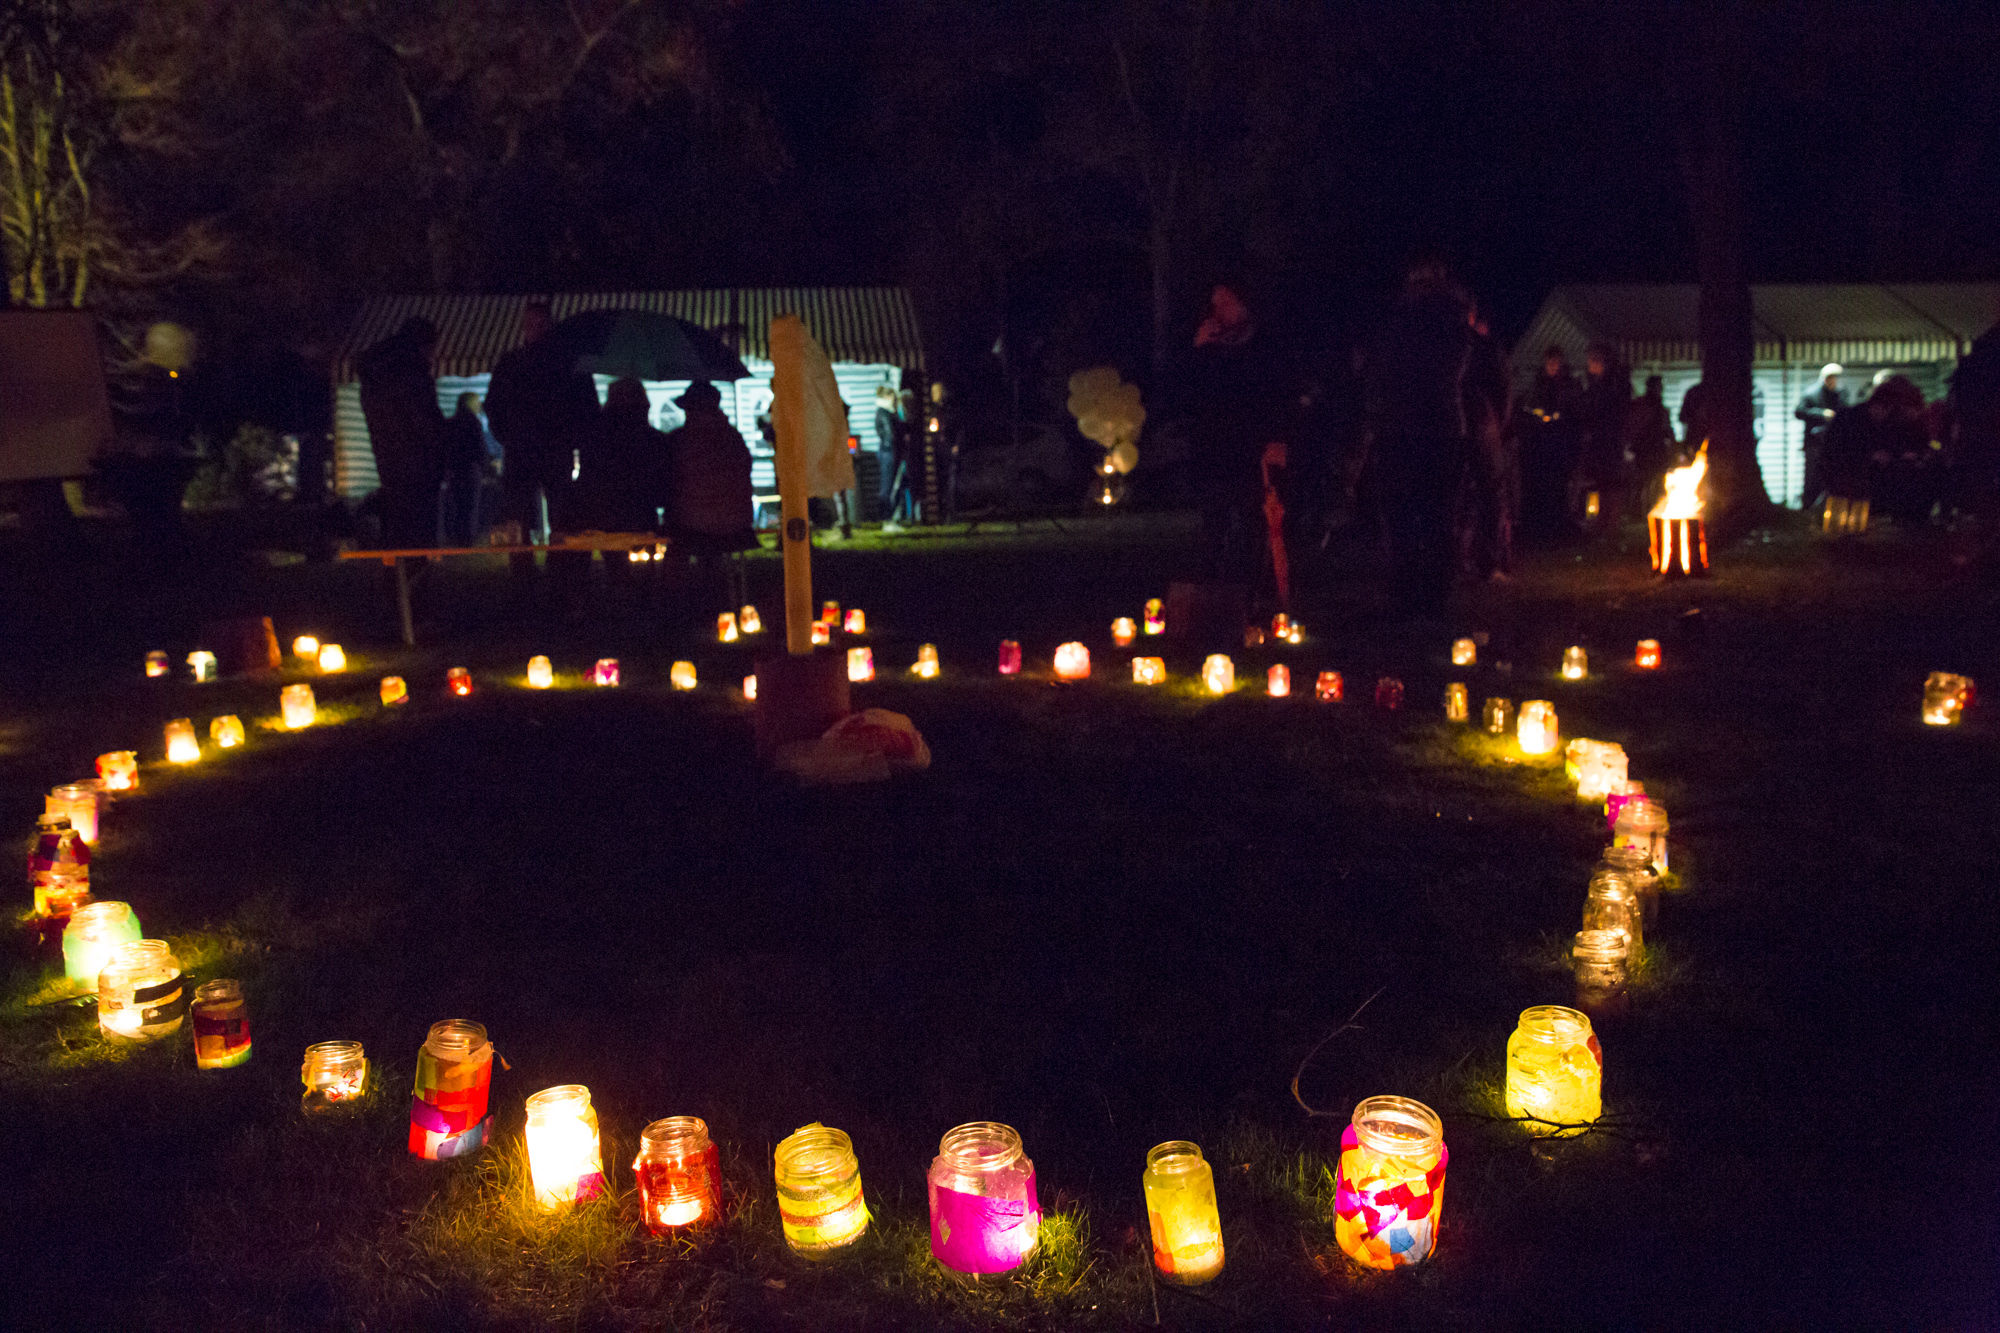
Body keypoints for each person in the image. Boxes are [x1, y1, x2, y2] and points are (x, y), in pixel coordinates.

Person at [1365, 260, 1475, 616]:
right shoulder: (1452, 322)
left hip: (1409, 424)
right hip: (1434, 426)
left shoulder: (1402, 322)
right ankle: (1428, 593)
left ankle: (1411, 591)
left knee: (1408, 513)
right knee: (1435, 514)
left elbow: (1381, 371)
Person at [484, 303, 599, 589]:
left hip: (539, 448)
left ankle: (546, 572)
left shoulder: (520, 363)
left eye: (538, 324)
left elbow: (586, 409)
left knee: (549, 513)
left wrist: (509, 434)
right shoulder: (552, 363)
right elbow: (494, 405)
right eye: (530, 324)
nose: (533, 330)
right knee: (529, 514)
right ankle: (536, 573)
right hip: (536, 448)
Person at [1187, 283, 1277, 582]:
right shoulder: (1210, 348)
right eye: (1216, 305)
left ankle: (1251, 584)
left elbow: (1270, 396)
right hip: (1213, 448)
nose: (1219, 312)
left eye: (1226, 304)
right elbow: (1189, 394)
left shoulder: (1261, 346)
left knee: (1252, 520)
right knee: (1214, 521)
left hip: (1249, 447)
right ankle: (1211, 586)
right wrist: (1199, 351)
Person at [666, 380, 757, 609]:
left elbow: (670, 481)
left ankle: (673, 605)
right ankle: (715, 594)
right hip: (738, 520)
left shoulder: (681, 440)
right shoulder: (733, 438)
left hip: (695, 524)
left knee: (676, 539)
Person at [357, 316, 445, 547]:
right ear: (424, 345)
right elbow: (425, 422)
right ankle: (416, 568)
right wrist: (443, 445)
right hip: (418, 466)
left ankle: (398, 567)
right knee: (418, 534)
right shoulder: (412, 375)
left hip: (389, 463)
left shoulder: (375, 375)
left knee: (398, 530)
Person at [1516, 346, 1580, 544]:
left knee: (1557, 485)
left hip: (1559, 442)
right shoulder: (1538, 383)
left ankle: (1557, 527)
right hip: (1539, 443)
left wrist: (1558, 417)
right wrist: (1536, 414)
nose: (1552, 366)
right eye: (1549, 363)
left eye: (1555, 363)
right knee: (1539, 485)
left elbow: (1573, 411)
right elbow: (1527, 405)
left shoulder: (1568, 385)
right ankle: (1538, 528)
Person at [1576, 344, 1632, 530]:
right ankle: (1603, 519)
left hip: (1609, 438)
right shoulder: (1596, 383)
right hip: (1599, 438)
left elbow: (1614, 410)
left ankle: (1611, 520)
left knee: (1611, 480)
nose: (1589, 364)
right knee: (1601, 480)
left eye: (1593, 360)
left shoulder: (1613, 384)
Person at [439, 392, 496, 545]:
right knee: (470, 506)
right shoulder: (474, 422)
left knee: (456, 505)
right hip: (471, 471)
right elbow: (480, 448)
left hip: (455, 471)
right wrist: (486, 467)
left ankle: (455, 537)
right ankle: (467, 539)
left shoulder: (451, 422)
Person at [1622, 375, 1677, 513]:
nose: (1660, 389)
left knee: (1654, 480)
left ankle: (1649, 508)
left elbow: (1666, 429)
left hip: (1654, 449)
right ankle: (1642, 508)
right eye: (1658, 386)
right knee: (1645, 481)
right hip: (1647, 448)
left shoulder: (1655, 407)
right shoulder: (1645, 406)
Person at [1794, 363, 1845, 507]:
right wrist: (1821, 414)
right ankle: (1808, 506)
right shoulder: (1811, 394)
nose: (1834, 382)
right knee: (1812, 477)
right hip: (1814, 444)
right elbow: (1799, 412)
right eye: (1831, 378)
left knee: (1830, 478)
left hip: (1832, 445)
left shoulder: (1838, 394)